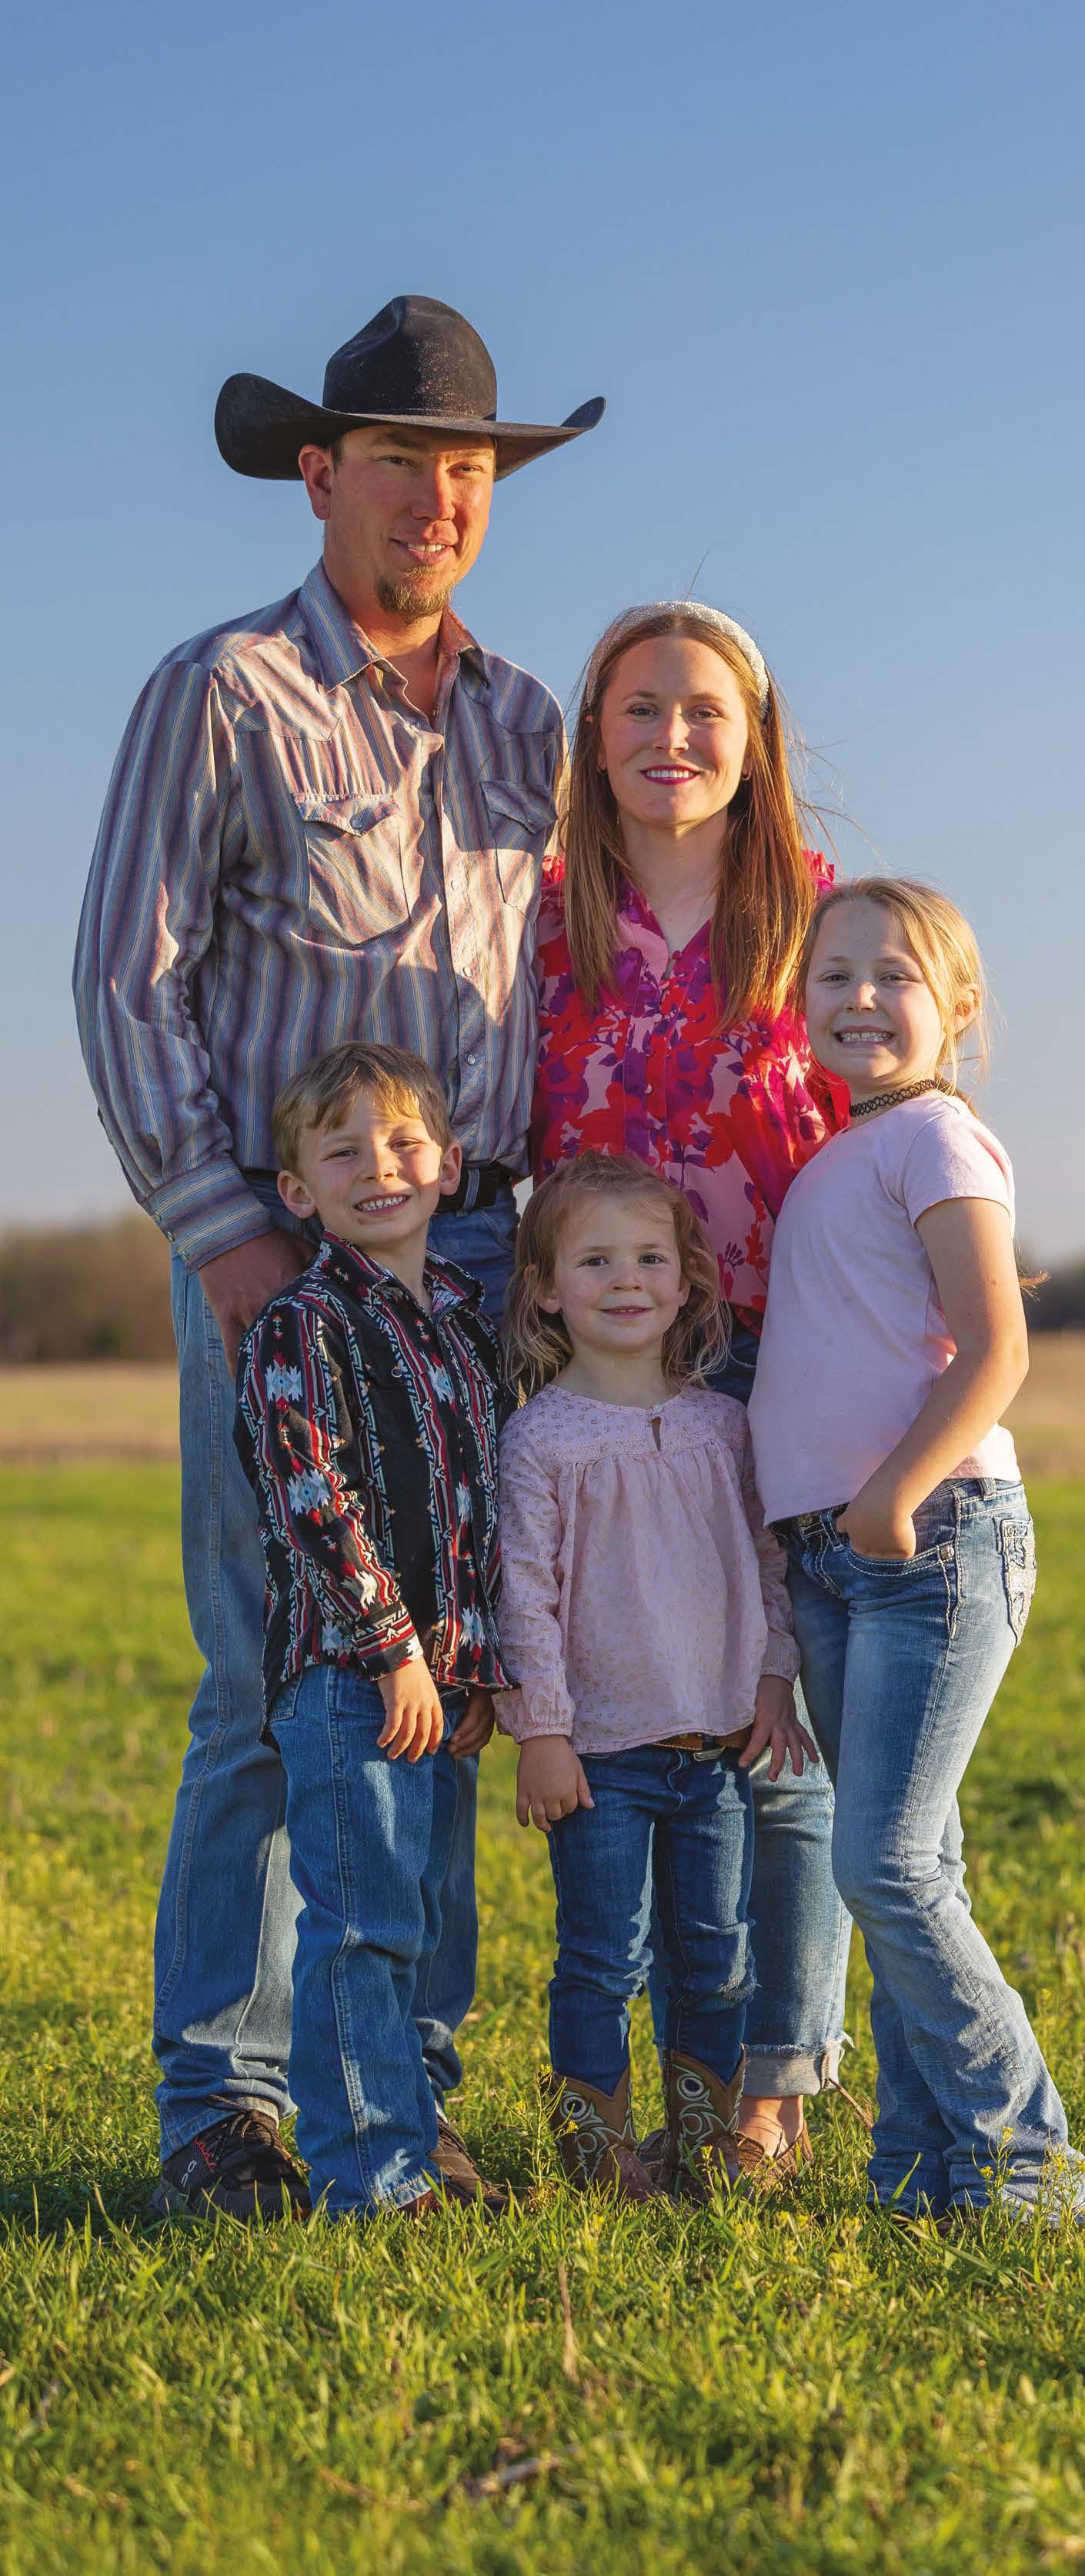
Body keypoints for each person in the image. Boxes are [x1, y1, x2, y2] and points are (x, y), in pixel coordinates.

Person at [72, 292, 604, 2219]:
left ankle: (400, 2092)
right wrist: (223, 1238)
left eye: (467, 468)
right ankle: (217, 2110)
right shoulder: (222, 693)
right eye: (398, 461)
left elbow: (549, 987)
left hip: (475, 1262)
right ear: (318, 475)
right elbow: (125, 979)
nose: (436, 498)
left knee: (435, 1679)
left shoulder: (527, 720)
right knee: (265, 1682)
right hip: (283, 1252)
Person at [531, 600, 852, 2183]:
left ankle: (767, 2088)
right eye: (640, 707)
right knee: (637, 1709)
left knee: (782, 1734)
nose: (671, 736)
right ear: (593, 736)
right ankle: (605, 2083)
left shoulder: (815, 914)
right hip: (607, 1367)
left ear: (755, 736)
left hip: (794, 1360)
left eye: (704, 709)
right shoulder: (543, 922)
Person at [749, 877, 1085, 2224]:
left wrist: (893, 1494)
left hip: (929, 1541)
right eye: (833, 976)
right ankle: (918, 2165)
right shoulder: (834, 1158)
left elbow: (998, 1348)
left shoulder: (939, 1139)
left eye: (894, 976)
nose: (859, 999)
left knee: (883, 1866)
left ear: (957, 1005)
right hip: (839, 1559)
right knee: (908, 1869)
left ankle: (1027, 2160)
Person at [495, 1151, 816, 2200]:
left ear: (685, 1283)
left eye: (648, 1259)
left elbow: (767, 1565)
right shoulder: (542, 1438)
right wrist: (542, 1731)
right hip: (598, 1757)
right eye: (594, 1261)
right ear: (547, 1288)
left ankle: (702, 2149)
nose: (625, 1279)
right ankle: (598, 2157)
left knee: (717, 1956)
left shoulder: (724, 1426)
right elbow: (524, 1595)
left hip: (715, 1749)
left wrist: (773, 1679)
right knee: (601, 1957)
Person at [232, 1042, 509, 2217]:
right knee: (363, 1923)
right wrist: (394, 1647)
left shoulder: (466, 1323)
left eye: (402, 1144)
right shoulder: (302, 1325)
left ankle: (423, 2130)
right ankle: (371, 2173)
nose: (379, 1169)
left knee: (437, 1927)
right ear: (299, 1192)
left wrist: (474, 1663)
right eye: (343, 1153)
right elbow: (312, 1494)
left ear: (448, 1165)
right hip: (354, 1678)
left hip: (442, 1682)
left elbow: (480, 1505)